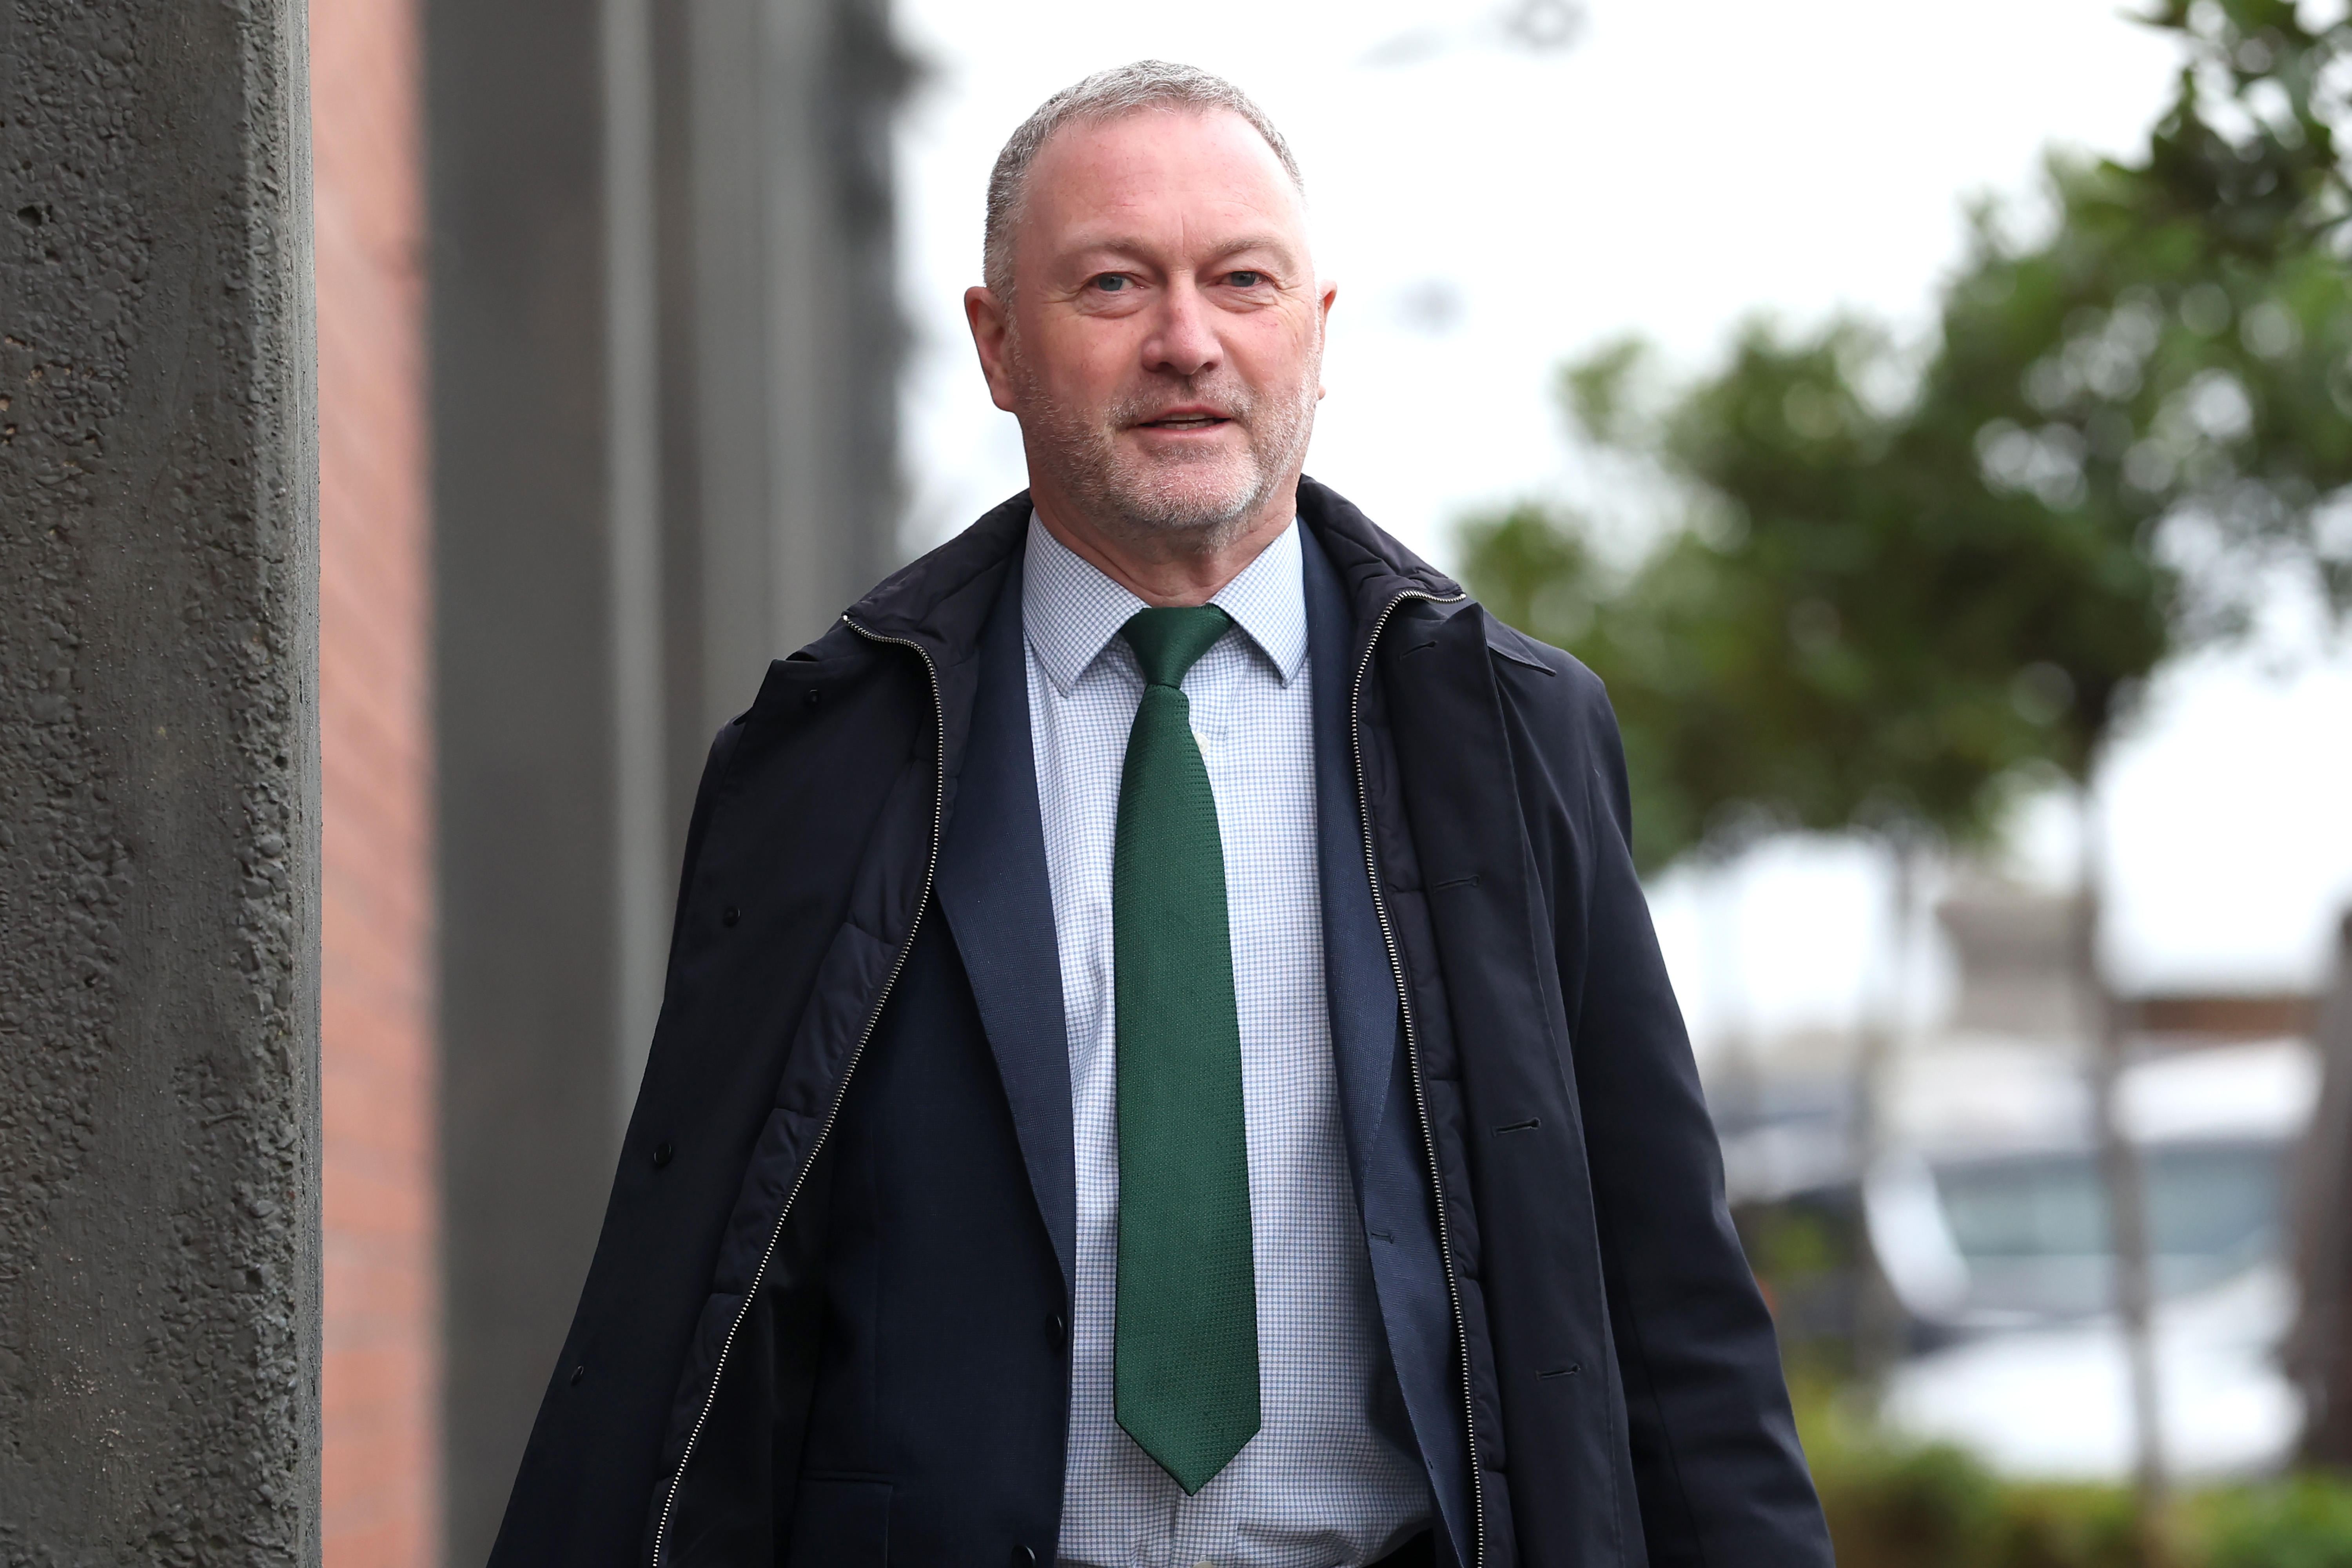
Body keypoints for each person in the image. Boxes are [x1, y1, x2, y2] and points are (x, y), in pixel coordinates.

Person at [487, 61, 1831, 1568]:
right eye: (1114, 282)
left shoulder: (1507, 737)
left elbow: (1670, 1291)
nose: (1186, 341)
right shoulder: (827, 754)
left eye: (1241, 282)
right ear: (998, 344)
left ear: (1317, 334)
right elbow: (698, 1297)